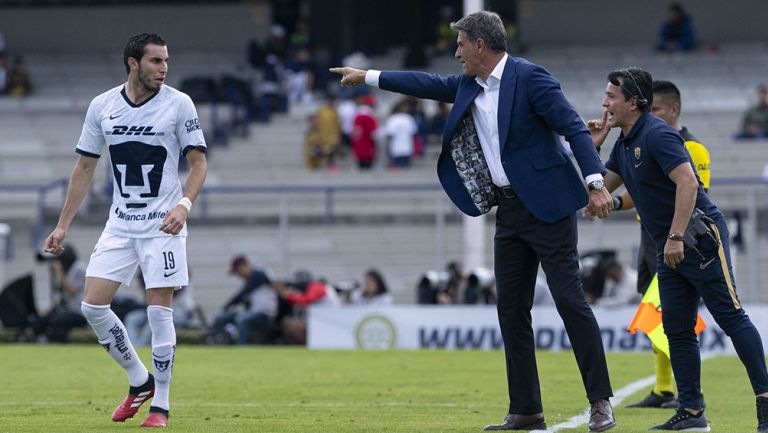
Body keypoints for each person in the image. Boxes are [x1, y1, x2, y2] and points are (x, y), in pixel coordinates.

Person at [331, 10, 616, 432]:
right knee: (510, 310)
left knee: (570, 302)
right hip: (509, 212)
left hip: (550, 207)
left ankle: (600, 401)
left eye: (461, 44)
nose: (456, 51)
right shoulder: (469, 84)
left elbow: (573, 127)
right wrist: (367, 75)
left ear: (481, 45)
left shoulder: (531, 78)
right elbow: (425, 83)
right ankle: (525, 410)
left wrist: (595, 182)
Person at [587, 67, 768, 432]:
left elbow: (687, 183)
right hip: (670, 244)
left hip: (698, 238)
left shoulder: (658, 135)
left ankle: (765, 404)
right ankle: (691, 412)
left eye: (611, 96)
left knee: (731, 317)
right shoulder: (622, 144)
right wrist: (594, 145)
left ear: (633, 102)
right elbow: (595, 194)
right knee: (677, 329)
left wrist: (675, 237)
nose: (604, 102)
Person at [43, 33, 208, 428]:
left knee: (159, 313)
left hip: (162, 226)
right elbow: (84, 168)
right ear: (133, 63)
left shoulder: (179, 103)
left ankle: (161, 405)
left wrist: (183, 206)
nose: (164, 69)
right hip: (120, 223)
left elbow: (199, 164)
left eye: (166, 61)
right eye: (155, 62)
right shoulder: (102, 106)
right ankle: (139, 380)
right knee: (92, 307)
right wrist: (63, 224)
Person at [612, 80, 711, 409]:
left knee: (673, 315)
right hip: (649, 236)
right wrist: (612, 204)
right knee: (653, 314)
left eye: (654, 109)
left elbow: (692, 192)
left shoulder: (692, 149)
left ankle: (686, 392)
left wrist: (676, 235)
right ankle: (664, 389)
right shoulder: (642, 141)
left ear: (674, 109)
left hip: (674, 237)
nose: (648, 114)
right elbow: (638, 193)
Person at [213, 255, 278, 345]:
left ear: (243, 266)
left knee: (242, 320)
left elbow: (243, 294)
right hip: (252, 312)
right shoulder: (251, 278)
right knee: (221, 319)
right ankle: (218, 342)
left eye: (238, 271)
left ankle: (241, 348)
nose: (238, 275)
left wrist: (227, 306)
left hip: (265, 314)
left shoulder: (259, 274)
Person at [32, 246, 88, 342]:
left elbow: (72, 291)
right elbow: (62, 298)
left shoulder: (79, 268)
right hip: (67, 310)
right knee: (39, 322)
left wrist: (59, 272)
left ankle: (61, 345)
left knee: (57, 322)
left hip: (80, 312)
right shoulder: (65, 271)